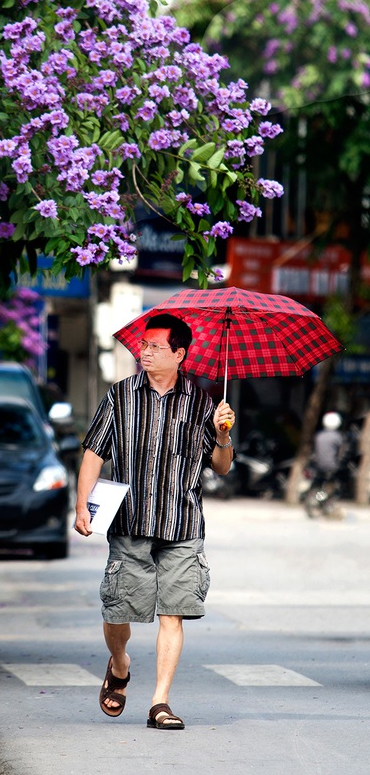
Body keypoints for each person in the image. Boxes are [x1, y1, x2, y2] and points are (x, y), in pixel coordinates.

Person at [74, 313, 234, 731]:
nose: (145, 352)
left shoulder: (203, 403)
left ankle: (160, 702)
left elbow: (221, 467)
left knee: (173, 613)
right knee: (117, 611)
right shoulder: (121, 395)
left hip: (182, 525)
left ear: (180, 354)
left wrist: (222, 435)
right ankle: (120, 663)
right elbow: (94, 452)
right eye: (143, 345)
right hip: (130, 522)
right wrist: (80, 506)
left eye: (155, 347)